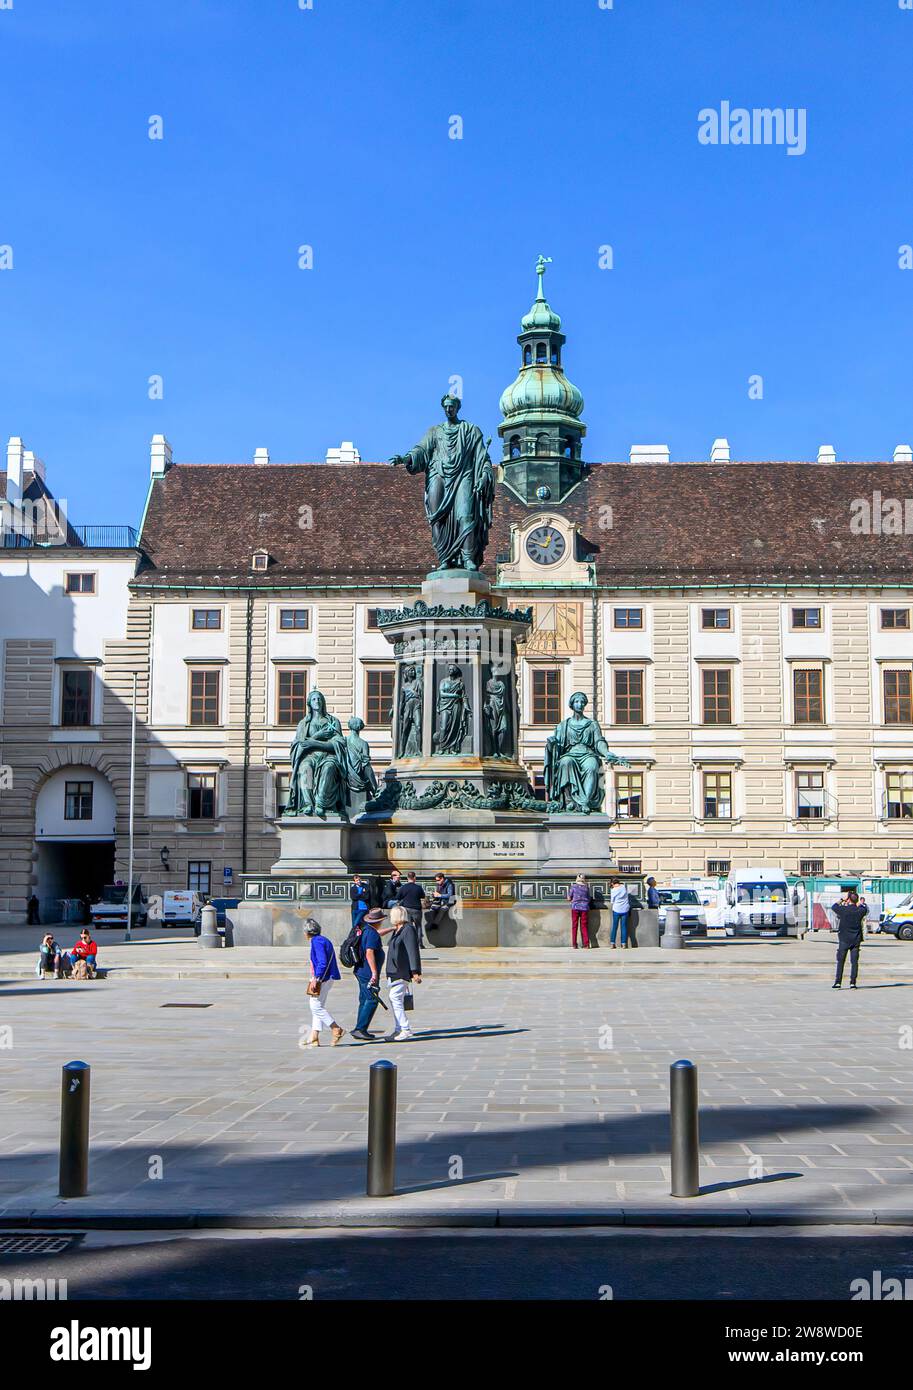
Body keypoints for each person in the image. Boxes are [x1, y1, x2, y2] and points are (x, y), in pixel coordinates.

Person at [304, 918, 344, 1047]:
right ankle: (314, 1036)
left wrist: (317, 978)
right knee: (318, 1005)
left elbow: (322, 962)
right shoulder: (322, 940)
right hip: (327, 977)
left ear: (307, 932)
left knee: (315, 1006)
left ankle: (336, 1028)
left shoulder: (317, 942)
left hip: (323, 978)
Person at [384, 905, 422, 1042]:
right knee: (395, 999)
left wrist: (415, 971)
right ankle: (398, 1028)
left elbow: (412, 951)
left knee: (394, 998)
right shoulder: (397, 929)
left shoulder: (408, 929)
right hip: (393, 970)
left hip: (401, 970)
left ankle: (405, 1029)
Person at [351, 907, 387, 1041]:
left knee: (364, 999)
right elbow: (369, 952)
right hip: (367, 972)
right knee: (372, 999)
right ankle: (360, 1028)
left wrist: (392, 929)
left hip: (361, 970)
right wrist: (374, 973)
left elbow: (378, 934)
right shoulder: (371, 933)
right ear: (379, 921)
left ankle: (360, 1028)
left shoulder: (367, 930)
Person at [831, 890, 867, 989]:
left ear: (848, 899)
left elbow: (834, 906)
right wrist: (859, 903)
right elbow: (864, 908)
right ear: (857, 900)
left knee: (841, 961)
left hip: (844, 939)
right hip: (856, 940)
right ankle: (853, 983)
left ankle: (838, 982)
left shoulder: (843, 909)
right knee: (854, 962)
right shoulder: (860, 911)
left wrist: (842, 899)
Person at [397, 871, 428, 945]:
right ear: (414, 878)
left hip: (406, 909)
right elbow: (423, 896)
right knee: (418, 926)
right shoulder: (418, 887)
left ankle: (409, 943)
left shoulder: (403, 887)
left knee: (408, 926)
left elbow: (398, 897)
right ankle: (420, 944)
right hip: (417, 909)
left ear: (407, 878)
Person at [567, 874, 591, 949]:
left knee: (574, 926)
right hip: (584, 908)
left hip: (575, 908)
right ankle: (586, 944)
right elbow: (589, 898)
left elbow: (568, 897)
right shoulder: (586, 888)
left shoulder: (573, 887)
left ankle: (574, 944)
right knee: (584, 926)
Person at [609, 877, 630, 949]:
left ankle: (612, 943)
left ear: (612, 883)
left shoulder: (613, 890)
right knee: (624, 927)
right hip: (625, 909)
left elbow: (612, 901)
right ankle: (623, 944)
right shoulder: (623, 887)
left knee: (614, 926)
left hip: (617, 909)